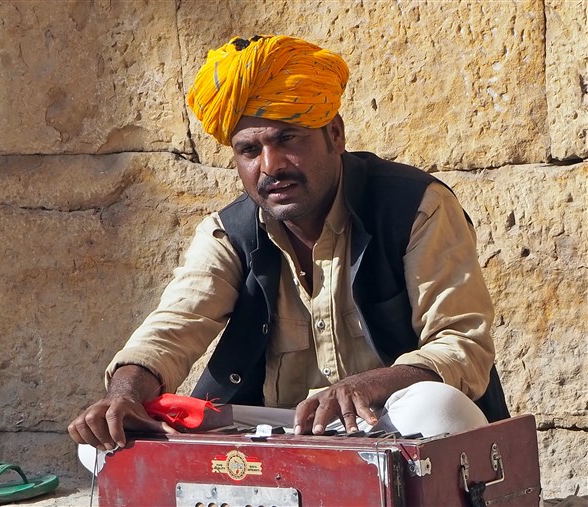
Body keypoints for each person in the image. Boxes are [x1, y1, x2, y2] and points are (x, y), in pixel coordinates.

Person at [68, 34, 508, 452]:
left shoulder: (414, 206)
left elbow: (463, 345)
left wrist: (367, 385)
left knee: (436, 407)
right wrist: (123, 395)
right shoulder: (229, 233)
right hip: (277, 430)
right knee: (109, 438)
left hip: (384, 419)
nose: (270, 166)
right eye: (249, 150)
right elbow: (172, 328)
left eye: (287, 139)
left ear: (334, 134)